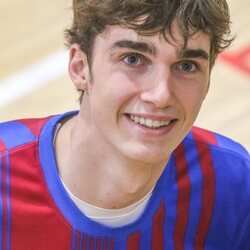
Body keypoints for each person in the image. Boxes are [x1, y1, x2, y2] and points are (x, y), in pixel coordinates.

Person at [0, 0, 249, 249]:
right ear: (80, 68)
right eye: (132, 59)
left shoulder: (234, 185)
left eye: (187, 66)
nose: (161, 95)